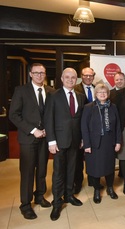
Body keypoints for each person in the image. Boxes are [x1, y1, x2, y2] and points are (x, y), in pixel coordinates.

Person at [9, 63, 55, 220]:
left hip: (45, 138)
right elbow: (14, 115)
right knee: (28, 172)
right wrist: (32, 130)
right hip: (28, 138)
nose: (39, 75)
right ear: (30, 74)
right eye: (36, 73)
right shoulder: (21, 91)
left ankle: (40, 196)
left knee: (42, 170)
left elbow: (51, 114)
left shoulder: (50, 91)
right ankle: (26, 205)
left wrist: (49, 129)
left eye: (42, 73)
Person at [44, 68, 86, 221]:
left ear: (77, 80)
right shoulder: (53, 96)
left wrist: (82, 138)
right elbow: (48, 119)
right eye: (67, 77)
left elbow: (81, 121)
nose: (70, 80)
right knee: (59, 173)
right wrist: (51, 141)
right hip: (59, 141)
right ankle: (57, 202)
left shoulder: (81, 97)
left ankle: (69, 195)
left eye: (73, 77)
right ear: (62, 78)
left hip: (75, 140)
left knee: (72, 170)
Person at [81, 83, 122, 203]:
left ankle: (110, 188)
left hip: (109, 142)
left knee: (109, 167)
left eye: (104, 92)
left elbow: (118, 125)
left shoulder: (113, 107)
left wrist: (118, 141)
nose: (102, 94)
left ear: (108, 94)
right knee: (95, 169)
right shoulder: (89, 107)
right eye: (100, 92)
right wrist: (87, 145)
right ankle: (97, 190)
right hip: (94, 143)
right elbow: (84, 127)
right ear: (96, 94)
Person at [73, 67, 96, 192]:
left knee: (93, 156)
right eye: (86, 75)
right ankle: (78, 183)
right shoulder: (75, 89)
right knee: (78, 158)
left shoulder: (96, 89)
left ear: (93, 76)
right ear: (81, 76)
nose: (88, 77)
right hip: (79, 129)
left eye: (90, 75)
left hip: (95, 130)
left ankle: (93, 180)